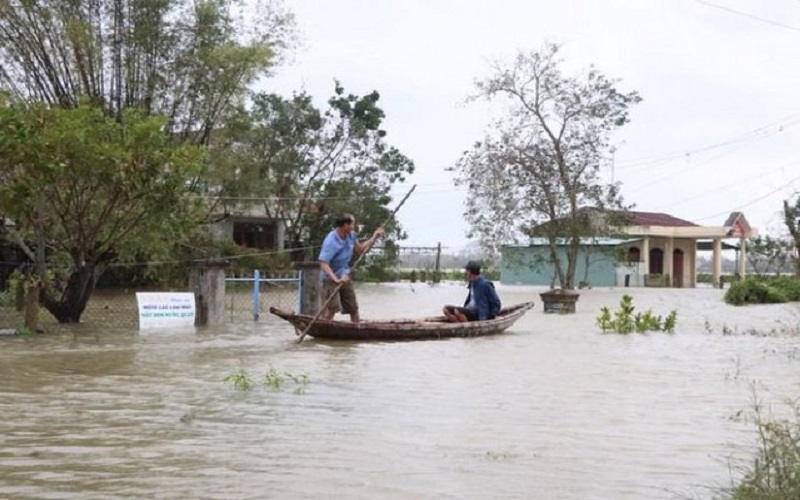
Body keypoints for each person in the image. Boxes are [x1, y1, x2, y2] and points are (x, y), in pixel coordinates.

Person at [318, 213, 384, 322]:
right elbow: (323, 263)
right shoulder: (331, 241)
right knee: (332, 309)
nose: (354, 226)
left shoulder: (351, 235)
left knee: (353, 308)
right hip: (330, 278)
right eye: (352, 223)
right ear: (345, 225)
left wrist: (374, 237)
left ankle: (356, 328)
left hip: (344, 274)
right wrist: (336, 279)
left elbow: (360, 249)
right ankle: (324, 330)